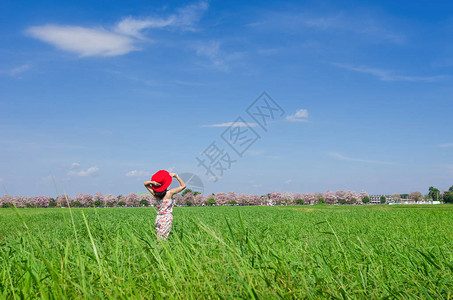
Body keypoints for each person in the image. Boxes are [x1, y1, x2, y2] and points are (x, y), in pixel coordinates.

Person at [144, 170, 186, 240]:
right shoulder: (169, 193)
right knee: (162, 240)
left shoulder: (155, 194)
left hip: (158, 218)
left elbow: (145, 184)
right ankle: (158, 250)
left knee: (159, 236)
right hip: (166, 218)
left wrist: (153, 182)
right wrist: (176, 176)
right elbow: (183, 186)